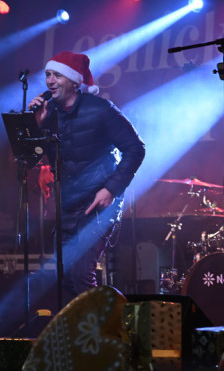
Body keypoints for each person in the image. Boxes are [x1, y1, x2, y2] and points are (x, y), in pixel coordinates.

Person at [30, 50, 145, 301]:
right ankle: (90, 330)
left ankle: (103, 333)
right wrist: (35, 125)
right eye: (48, 75)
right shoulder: (49, 114)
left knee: (82, 273)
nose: (50, 81)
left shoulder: (101, 109)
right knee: (65, 275)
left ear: (74, 81)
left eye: (57, 75)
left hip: (98, 203)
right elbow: (29, 158)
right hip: (67, 204)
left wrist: (111, 189)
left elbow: (135, 148)